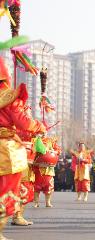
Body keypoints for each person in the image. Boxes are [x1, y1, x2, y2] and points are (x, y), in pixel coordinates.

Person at [0, 57, 46, 239]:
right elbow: (23, 122)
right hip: (6, 150)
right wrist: (38, 126)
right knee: (7, 189)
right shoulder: (10, 97)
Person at [33, 137, 61, 208]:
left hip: (49, 169)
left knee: (49, 186)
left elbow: (58, 150)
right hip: (38, 169)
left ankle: (48, 202)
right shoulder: (35, 140)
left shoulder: (50, 140)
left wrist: (54, 152)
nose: (43, 133)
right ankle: (36, 202)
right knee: (36, 186)